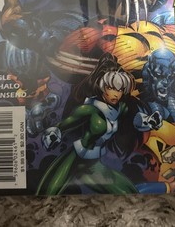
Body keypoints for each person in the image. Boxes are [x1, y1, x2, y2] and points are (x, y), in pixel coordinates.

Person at [37, 55, 162, 195]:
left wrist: (148, 121)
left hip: (94, 165)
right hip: (75, 160)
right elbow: (65, 124)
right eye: (111, 88)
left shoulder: (120, 108)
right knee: (48, 190)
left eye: (120, 90)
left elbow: (134, 119)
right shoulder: (90, 109)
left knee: (128, 190)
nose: (116, 94)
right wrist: (54, 134)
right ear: (103, 87)